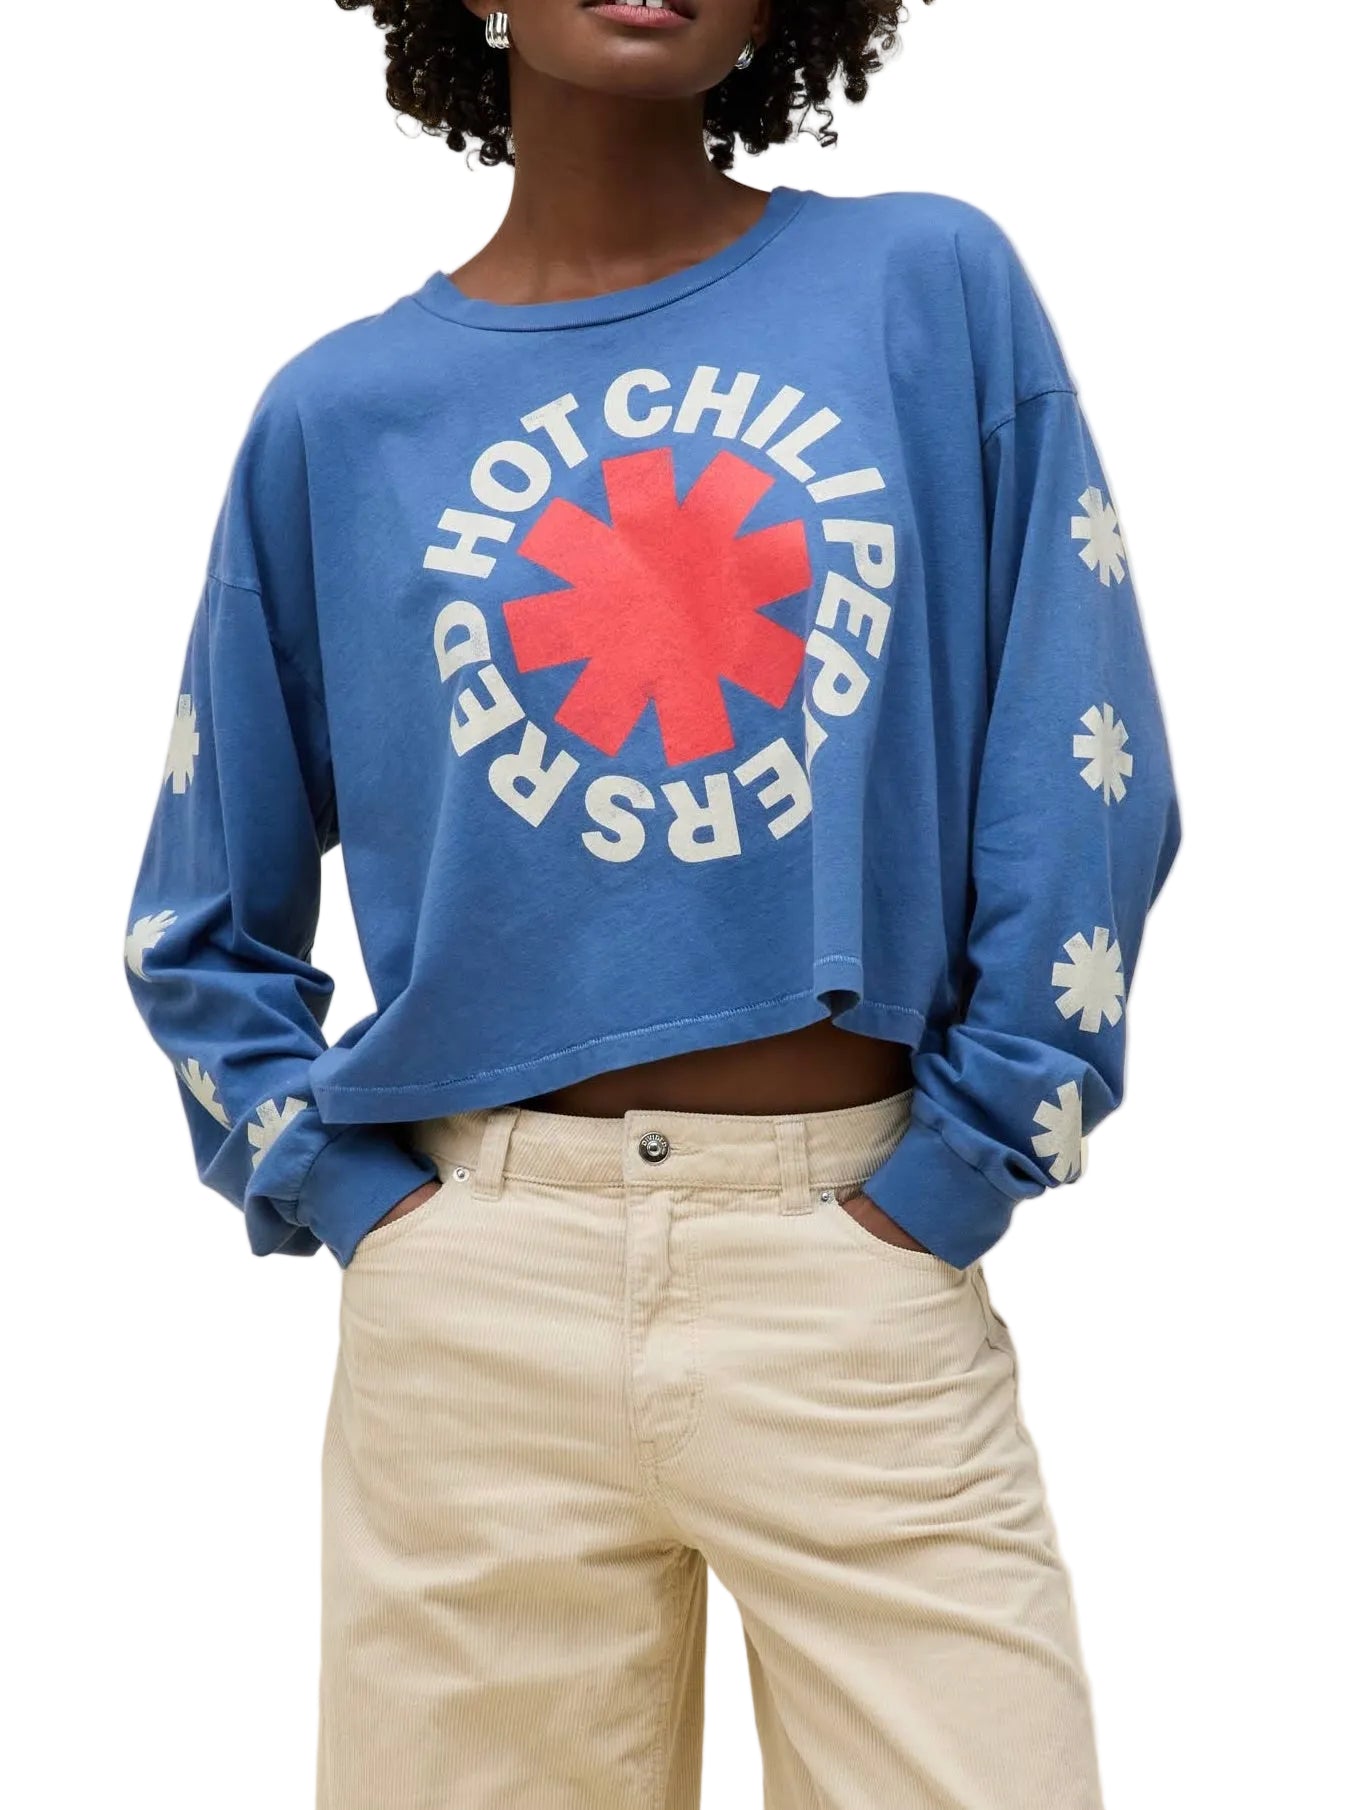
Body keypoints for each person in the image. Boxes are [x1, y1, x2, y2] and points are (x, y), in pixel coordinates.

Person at [121, 1, 1182, 1804]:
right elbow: (200, 907)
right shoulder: (337, 414)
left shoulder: (925, 286)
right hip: (472, 1306)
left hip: (854, 1269)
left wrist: (959, 1169)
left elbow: (1078, 754)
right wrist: (359, 1200)